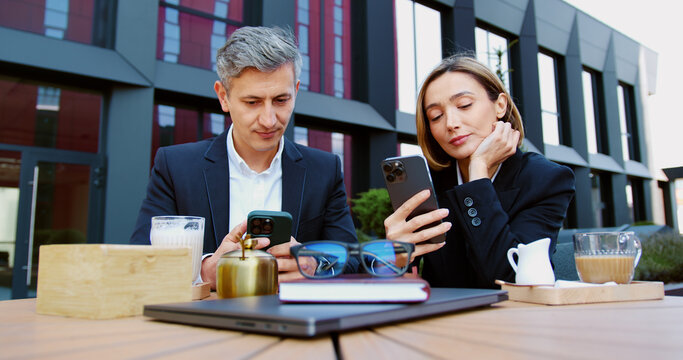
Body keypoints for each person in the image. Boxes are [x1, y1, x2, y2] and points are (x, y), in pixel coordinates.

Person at [130, 26, 357, 288]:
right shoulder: (175, 166)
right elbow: (140, 257)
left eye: (281, 100)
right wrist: (205, 271)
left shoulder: (325, 169)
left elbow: (351, 258)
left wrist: (314, 265)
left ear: (296, 91)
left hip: (294, 322)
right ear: (223, 97)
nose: (269, 120)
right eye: (252, 102)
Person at [384, 55, 575, 289]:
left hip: (512, 320)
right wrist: (394, 259)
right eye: (436, 116)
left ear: (500, 105)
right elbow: (402, 278)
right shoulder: (426, 182)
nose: (451, 123)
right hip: (438, 319)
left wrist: (478, 173)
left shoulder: (545, 179)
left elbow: (509, 279)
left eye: (464, 105)